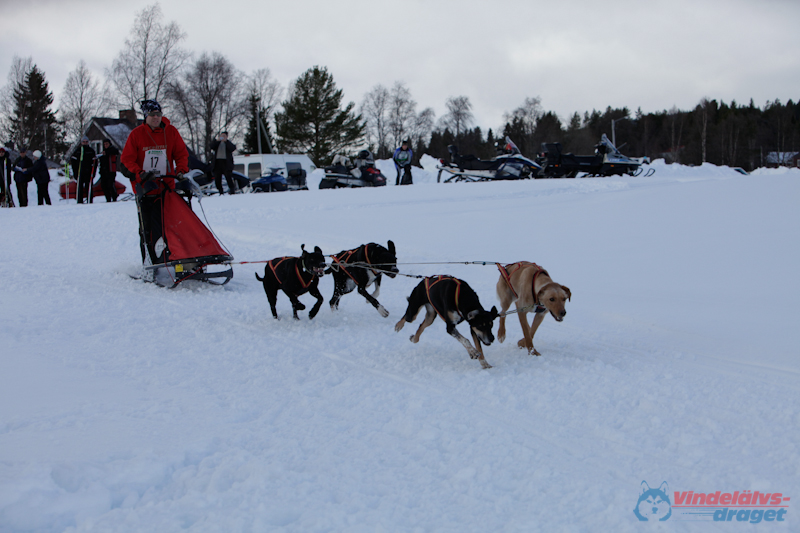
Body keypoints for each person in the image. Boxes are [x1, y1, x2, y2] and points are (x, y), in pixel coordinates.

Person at [120, 99, 189, 271]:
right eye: (152, 115)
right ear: (146, 116)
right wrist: (140, 173)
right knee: (147, 227)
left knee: (171, 225)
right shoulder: (136, 134)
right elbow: (127, 159)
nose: (156, 118)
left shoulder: (171, 132)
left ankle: (173, 257)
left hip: (167, 189)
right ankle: (150, 261)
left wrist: (181, 170)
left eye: (158, 114)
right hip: (145, 188)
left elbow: (181, 153)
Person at [70, 136, 96, 204]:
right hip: (80, 172)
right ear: (81, 142)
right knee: (79, 188)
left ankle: (89, 201)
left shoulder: (91, 151)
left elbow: (95, 162)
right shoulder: (78, 151)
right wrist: (75, 172)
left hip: (88, 172)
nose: (85, 143)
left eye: (86, 142)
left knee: (89, 187)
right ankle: (79, 201)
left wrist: (93, 173)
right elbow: (73, 162)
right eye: (83, 142)